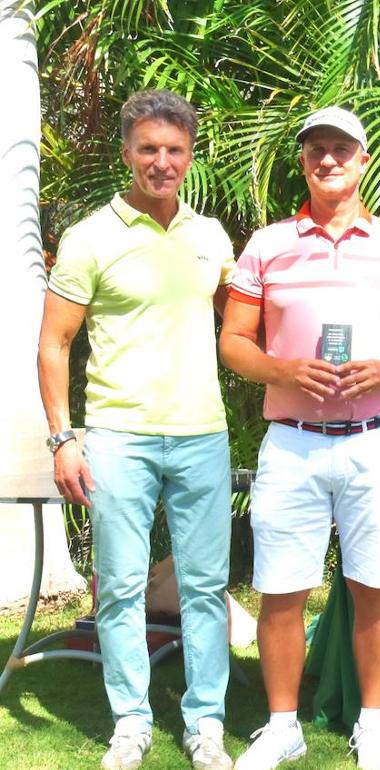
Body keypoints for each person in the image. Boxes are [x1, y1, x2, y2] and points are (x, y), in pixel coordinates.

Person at [219, 106, 380, 770]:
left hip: (376, 437)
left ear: (364, 159)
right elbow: (232, 341)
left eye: (341, 148)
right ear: (305, 162)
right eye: (316, 149)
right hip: (292, 440)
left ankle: (372, 721)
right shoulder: (266, 244)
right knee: (281, 586)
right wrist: (284, 369)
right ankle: (282, 723)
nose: (328, 159)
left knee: (374, 581)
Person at [36, 89, 234, 770]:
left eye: (174, 150)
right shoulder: (91, 237)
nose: (161, 162)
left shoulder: (210, 237)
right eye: (148, 148)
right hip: (118, 437)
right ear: (127, 152)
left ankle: (205, 722)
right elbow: (53, 344)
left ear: (189, 155)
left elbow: (242, 323)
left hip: (202, 435)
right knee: (118, 585)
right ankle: (131, 722)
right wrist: (65, 438)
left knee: (206, 587)